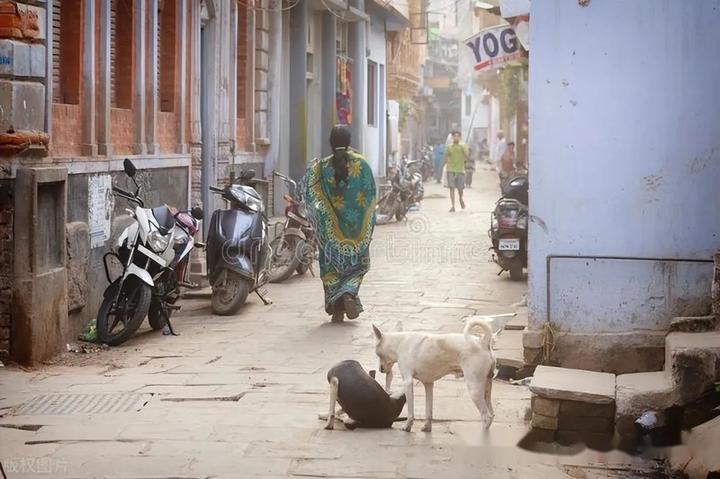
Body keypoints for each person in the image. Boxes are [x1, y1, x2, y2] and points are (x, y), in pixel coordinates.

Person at [305, 125, 377, 323]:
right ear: (349, 141)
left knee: (331, 269)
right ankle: (349, 293)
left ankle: (337, 310)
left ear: (330, 142)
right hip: (357, 233)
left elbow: (308, 193)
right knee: (357, 267)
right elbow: (371, 197)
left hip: (330, 235)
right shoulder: (362, 164)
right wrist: (369, 224)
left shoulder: (320, 168)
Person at [443, 131, 469, 212]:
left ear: (460, 137)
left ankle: (461, 199)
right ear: (452, 137)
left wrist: (465, 150)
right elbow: (446, 157)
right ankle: (453, 206)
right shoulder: (449, 147)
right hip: (451, 170)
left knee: (460, 189)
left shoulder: (463, 146)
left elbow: (467, 156)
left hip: (460, 170)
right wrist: (446, 166)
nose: (456, 138)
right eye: (454, 136)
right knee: (452, 188)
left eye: (457, 136)